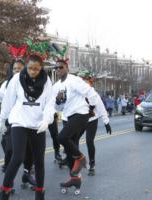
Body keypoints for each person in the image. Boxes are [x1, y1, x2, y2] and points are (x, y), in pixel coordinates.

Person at [0, 54, 55, 200]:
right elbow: (8, 101)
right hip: (20, 121)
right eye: (30, 68)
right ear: (26, 66)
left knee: (39, 160)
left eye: (36, 69)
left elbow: (49, 104)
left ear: (41, 68)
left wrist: (46, 120)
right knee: (17, 157)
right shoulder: (17, 79)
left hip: (37, 124)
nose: (33, 72)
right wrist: (3, 119)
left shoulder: (46, 81)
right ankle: (4, 192)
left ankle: (40, 193)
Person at [0, 60, 36, 188]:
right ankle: (8, 173)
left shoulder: (30, 83)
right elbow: (0, 99)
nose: (17, 71)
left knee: (29, 148)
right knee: (9, 147)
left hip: (27, 120)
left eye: (20, 69)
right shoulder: (7, 83)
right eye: (15, 69)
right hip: (12, 121)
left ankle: (26, 173)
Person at [52, 59, 97, 192]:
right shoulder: (56, 86)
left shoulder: (74, 80)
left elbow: (90, 93)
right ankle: (75, 178)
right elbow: (57, 107)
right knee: (71, 149)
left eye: (61, 67)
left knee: (61, 138)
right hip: (67, 117)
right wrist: (58, 100)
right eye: (56, 68)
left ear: (67, 68)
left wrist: (91, 107)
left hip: (80, 114)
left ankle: (82, 158)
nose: (58, 70)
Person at [76, 70, 112, 176]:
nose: (83, 83)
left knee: (89, 141)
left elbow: (101, 108)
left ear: (89, 82)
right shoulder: (77, 93)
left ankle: (92, 165)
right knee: (74, 140)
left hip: (91, 120)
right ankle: (77, 160)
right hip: (80, 119)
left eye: (85, 80)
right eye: (81, 80)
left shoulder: (93, 94)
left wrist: (106, 122)